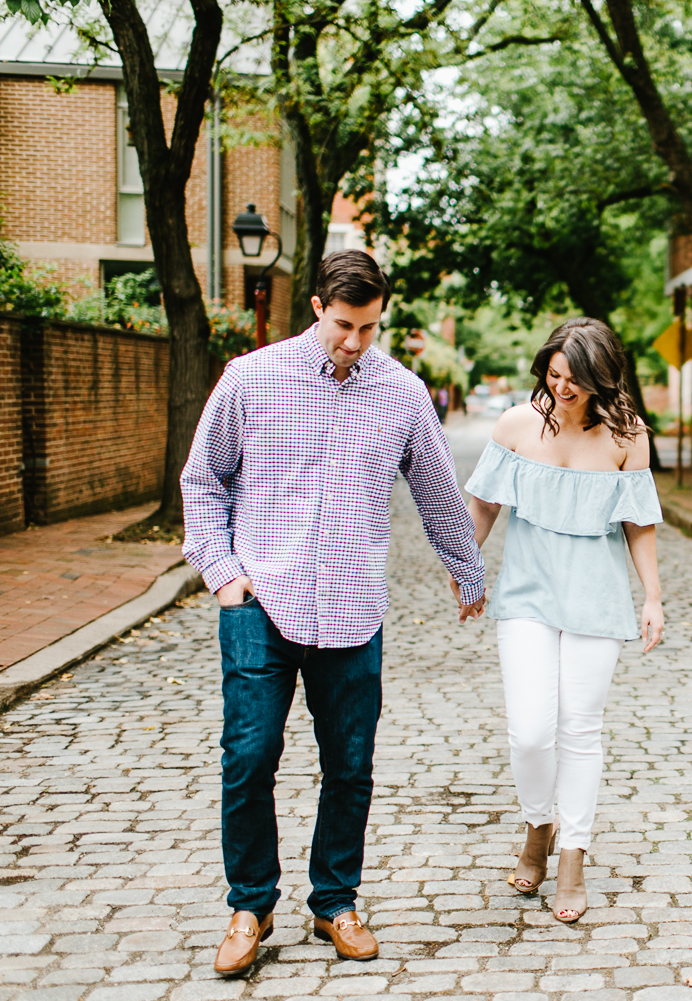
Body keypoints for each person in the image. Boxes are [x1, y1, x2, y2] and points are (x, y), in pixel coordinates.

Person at [181, 250, 487, 977]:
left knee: (349, 764)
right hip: (263, 599)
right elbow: (203, 480)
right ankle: (250, 904)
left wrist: (465, 568)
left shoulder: (403, 392)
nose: (355, 342)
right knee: (249, 757)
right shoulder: (252, 379)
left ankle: (334, 900)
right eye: (345, 325)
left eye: (370, 327)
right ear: (318, 307)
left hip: (352, 609)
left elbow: (439, 493)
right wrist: (223, 574)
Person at [463, 316, 663, 924]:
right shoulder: (518, 425)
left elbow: (639, 524)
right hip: (526, 593)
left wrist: (652, 598)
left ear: (602, 378)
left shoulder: (628, 437)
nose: (563, 389)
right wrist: (468, 570)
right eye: (554, 376)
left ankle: (571, 853)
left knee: (581, 729)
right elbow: (485, 502)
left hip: (596, 601)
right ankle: (537, 824)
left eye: (576, 380)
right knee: (530, 731)